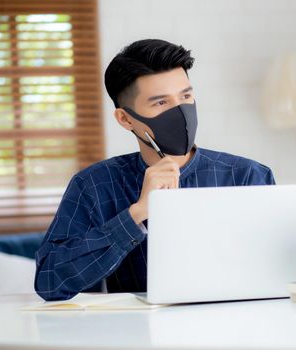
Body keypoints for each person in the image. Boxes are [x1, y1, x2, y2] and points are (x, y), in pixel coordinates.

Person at [35, 39, 275, 301]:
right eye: (161, 103)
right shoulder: (94, 184)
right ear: (126, 119)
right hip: (141, 336)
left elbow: (284, 272)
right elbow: (50, 282)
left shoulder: (247, 176)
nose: (181, 112)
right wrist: (137, 213)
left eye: (185, 96)